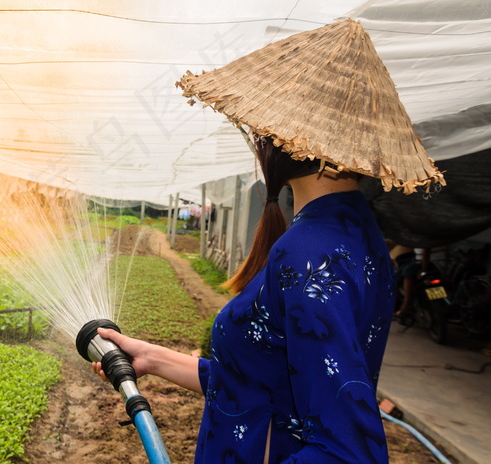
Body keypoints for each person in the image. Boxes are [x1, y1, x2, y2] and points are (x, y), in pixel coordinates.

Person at [92, 19, 443, 463]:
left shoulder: (310, 253)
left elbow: (347, 451)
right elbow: (268, 383)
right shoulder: (356, 233)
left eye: (264, 125)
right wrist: (155, 359)